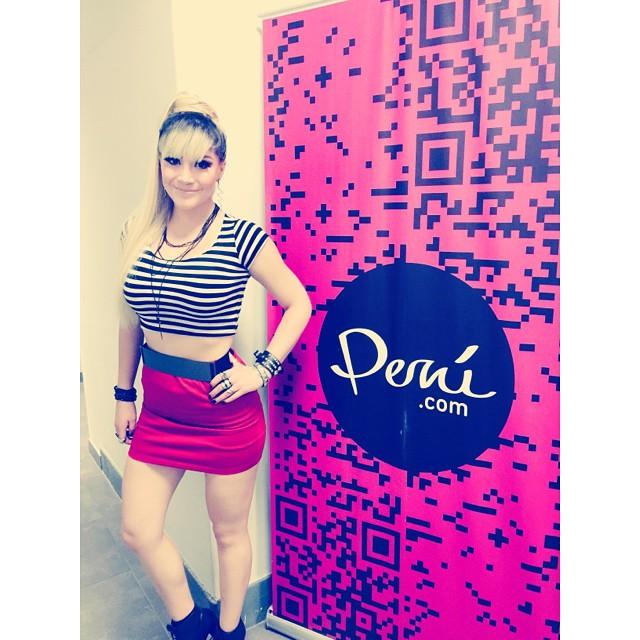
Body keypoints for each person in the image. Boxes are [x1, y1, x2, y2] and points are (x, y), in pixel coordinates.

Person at [114, 92, 312, 640]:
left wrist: (261, 370)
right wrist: (123, 393)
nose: (186, 176)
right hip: (159, 407)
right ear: (159, 163)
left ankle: (228, 631)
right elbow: (129, 320)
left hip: (223, 409)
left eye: (201, 163)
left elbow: (298, 303)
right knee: (138, 529)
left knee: (228, 533)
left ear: (221, 167)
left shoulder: (243, 237)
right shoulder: (137, 230)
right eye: (174, 161)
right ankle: (188, 623)